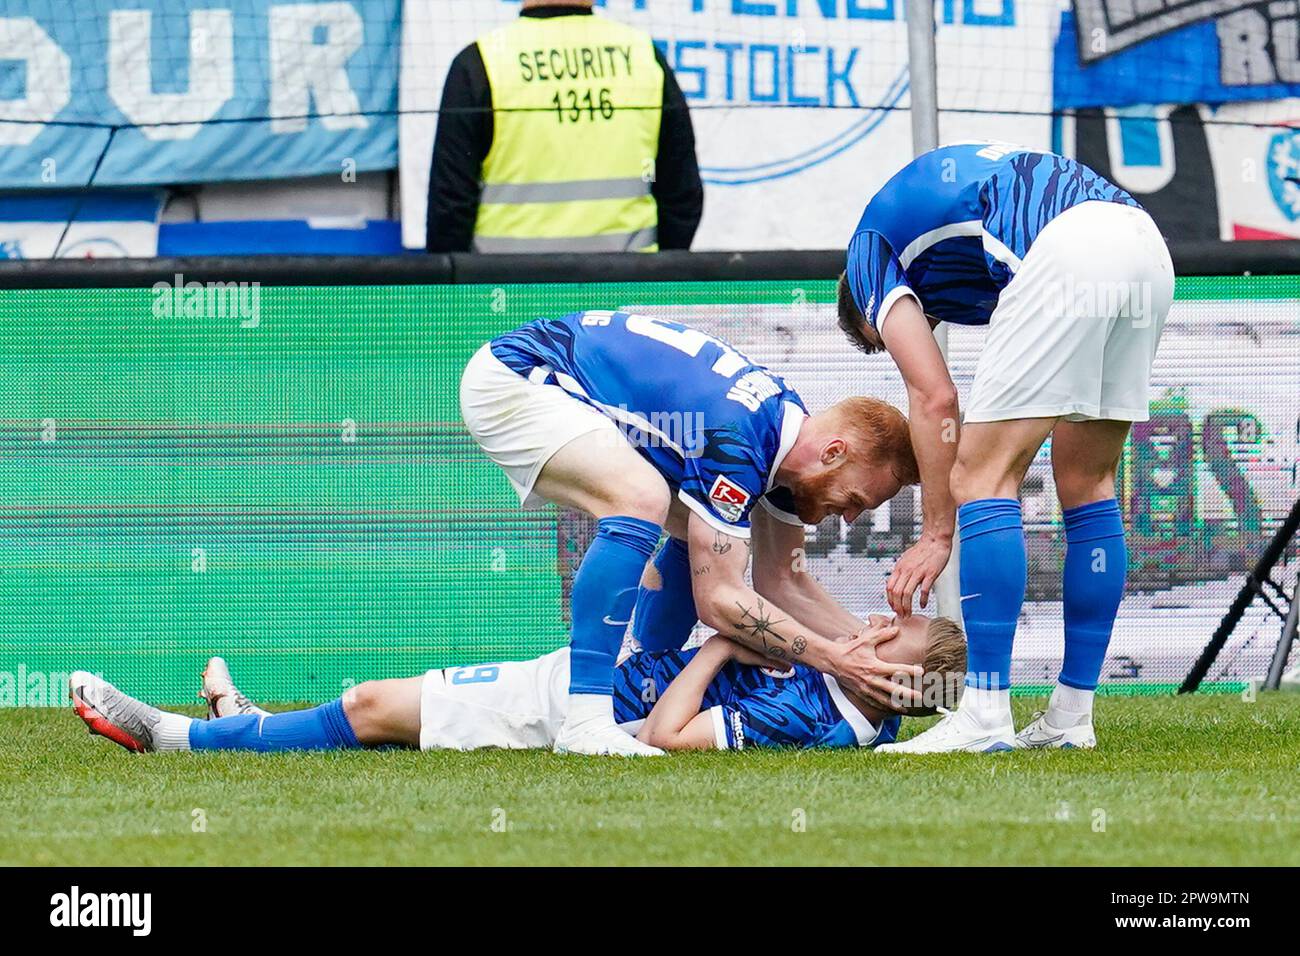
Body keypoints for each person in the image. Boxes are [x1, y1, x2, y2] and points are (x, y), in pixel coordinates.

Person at [462, 309, 923, 756]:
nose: (849, 518)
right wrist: (833, 659)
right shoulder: (739, 441)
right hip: (520, 377)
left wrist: (873, 657)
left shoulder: (782, 449)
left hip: (554, 377)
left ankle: (638, 672)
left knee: (695, 529)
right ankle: (586, 716)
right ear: (833, 453)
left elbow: (783, 582)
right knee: (640, 500)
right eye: (858, 500)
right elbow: (719, 600)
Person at [837, 142, 1174, 753]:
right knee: (1087, 484)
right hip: (1144, 245)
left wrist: (937, 532)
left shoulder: (867, 257)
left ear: (865, 305)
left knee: (982, 479)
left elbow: (935, 396)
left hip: (1074, 249)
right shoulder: (959, 276)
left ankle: (984, 714)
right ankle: (1072, 716)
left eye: (882, 333)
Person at [67, 614, 966, 755]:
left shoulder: (814, 720)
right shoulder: (844, 696)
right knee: (377, 704)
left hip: (574, 706)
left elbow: (665, 738)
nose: (871, 629)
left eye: (892, 637)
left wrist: (723, 650)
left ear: (895, 681)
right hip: (584, 677)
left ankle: (179, 738)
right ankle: (250, 723)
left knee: (368, 706)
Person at [426, 0, 703, 254]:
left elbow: (450, 207)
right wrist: (658, 273)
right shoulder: (643, 56)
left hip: (508, 290)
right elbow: (681, 193)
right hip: (625, 287)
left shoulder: (482, 62)